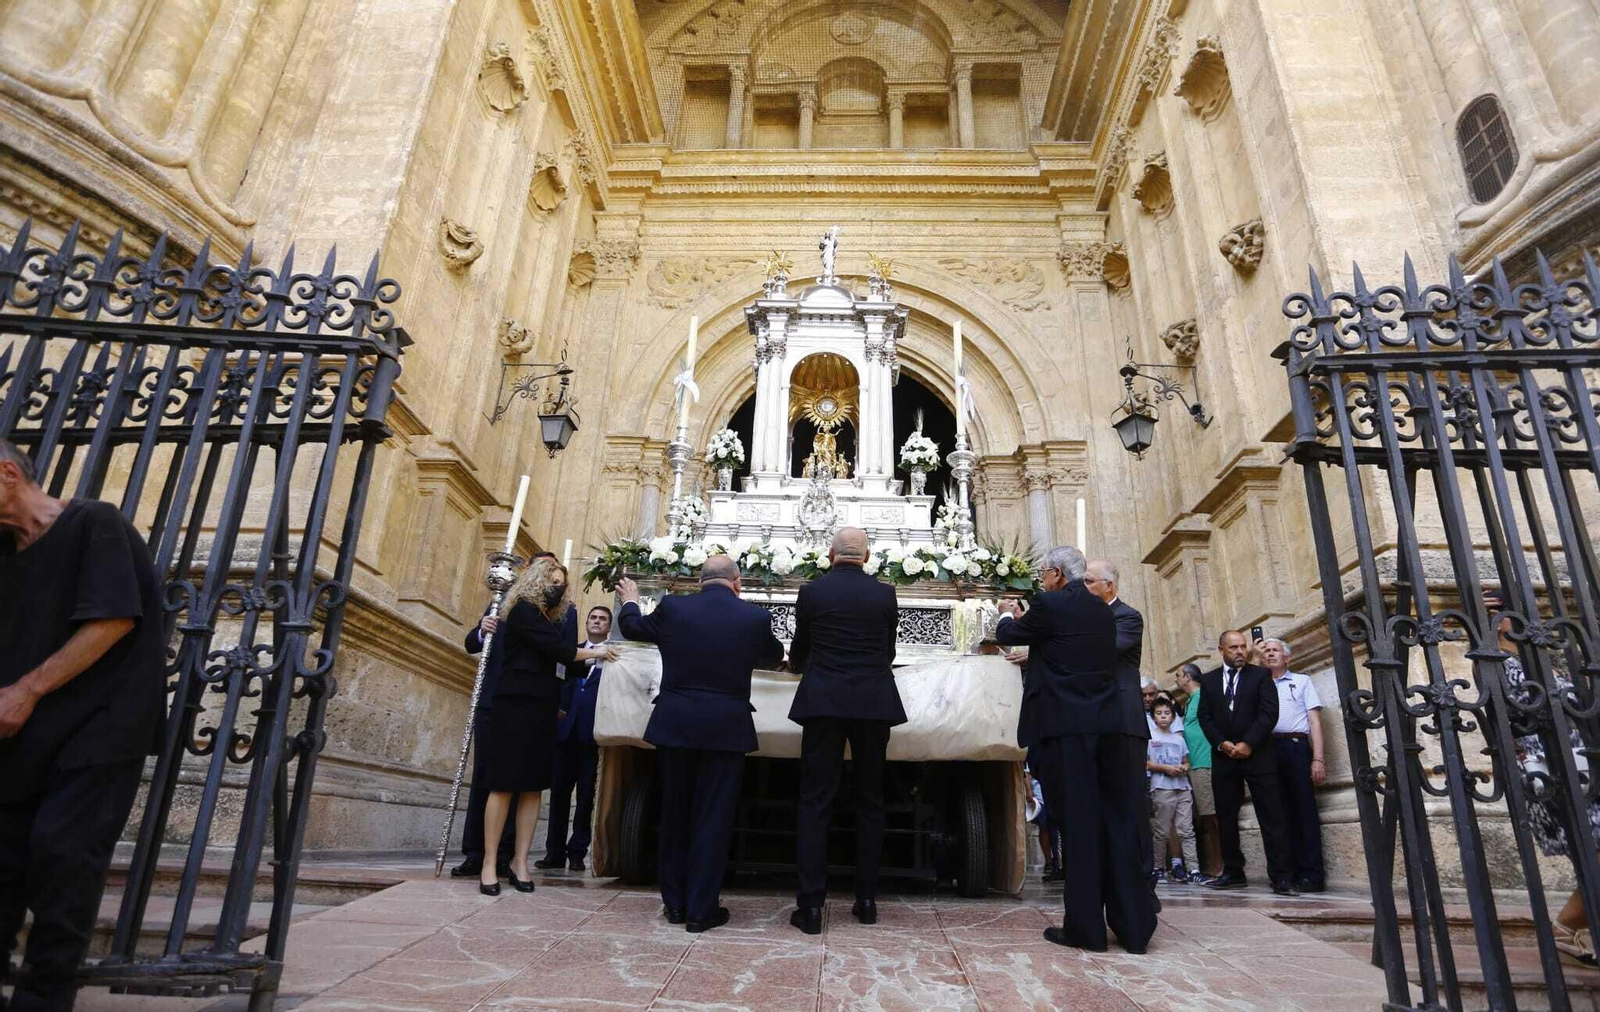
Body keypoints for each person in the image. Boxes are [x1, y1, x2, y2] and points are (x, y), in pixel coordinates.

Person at [0, 438, 165, 1011]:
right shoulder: (5, 552)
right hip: (23, 736)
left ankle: (44, 998)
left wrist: (26, 689)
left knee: (64, 855)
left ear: (7, 473)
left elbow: (114, 618)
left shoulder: (95, 522)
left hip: (100, 728)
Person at [997, 545, 1155, 954]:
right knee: (1116, 822)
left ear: (1053, 574)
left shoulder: (1050, 606)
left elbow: (1008, 635)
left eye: (1043, 574)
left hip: (1066, 729)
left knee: (1079, 828)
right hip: (1106, 726)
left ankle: (1085, 928)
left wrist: (1005, 613)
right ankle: (1134, 926)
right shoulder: (1104, 612)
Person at [617, 558, 784, 932]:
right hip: (726, 726)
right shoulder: (753, 618)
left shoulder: (675, 606)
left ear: (699, 579)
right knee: (713, 818)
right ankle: (701, 910)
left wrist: (630, 599)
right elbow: (773, 658)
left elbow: (631, 628)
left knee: (675, 812)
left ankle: (674, 904)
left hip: (676, 722)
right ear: (737, 582)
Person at [788, 527, 904, 935]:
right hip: (873, 702)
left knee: (815, 800)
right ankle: (867, 900)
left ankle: (811, 906)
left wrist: (803, 665)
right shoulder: (885, 593)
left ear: (830, 553)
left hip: (823, 701)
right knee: (871, 800)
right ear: (867, 556)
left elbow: (800, 648)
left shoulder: (812, 592)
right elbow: (889, 651)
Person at [477, 558, 615, 896]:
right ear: (537, 581)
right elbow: (559, 652)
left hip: (542, 707)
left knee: (534, 785)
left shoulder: (549, 620)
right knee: (503, 784)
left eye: (561, 583)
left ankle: (520, 861)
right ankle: (489, 862)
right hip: (514, 704)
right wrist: (602, 653)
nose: (558, 587)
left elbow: (562, 666)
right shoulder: (523, 611)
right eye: (552, 580)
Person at [1483, 590, 1600, 965]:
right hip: (1546, 770)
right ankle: (1568, 928)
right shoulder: (1495, 662)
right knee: (1592, 848)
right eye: (1512, 614)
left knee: (1592, 851)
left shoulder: (1542, 661)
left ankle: (1578, 929)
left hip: (1581, 763)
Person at [1084, 560, 1159, 907]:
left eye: (1088, 582)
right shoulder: (1092, 618)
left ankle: (1145, 881)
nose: (1082, 587)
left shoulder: (1128, 616)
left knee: (1131, 802)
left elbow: (1101, 651)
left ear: (1109, 586)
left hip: (1125, 722)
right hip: (1097, 721)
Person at [1197, 629, 1295, 894]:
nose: (1240, 652)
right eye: (1233, 648)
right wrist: (1222, 743)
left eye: (1242, 647)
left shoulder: (1260, 675)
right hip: (1224, 757)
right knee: (1226, 817)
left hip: (1258, 755)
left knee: (1272, 816)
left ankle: (1281, 876)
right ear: (1221, 650)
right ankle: (1233, 871)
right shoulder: (1208, 681)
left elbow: (1268, 712)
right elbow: (1204, 717)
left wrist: (1248, 743)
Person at [536, 604, 613, 872]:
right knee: (558, 794)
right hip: (565, 732)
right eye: (593, 617)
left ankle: (577, 852)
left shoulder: (613, 658)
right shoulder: (569, 651)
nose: (596, 621)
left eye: (602, 619)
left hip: (593, 735)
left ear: (608, 627)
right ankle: (553, 852)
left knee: (586, 798)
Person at [1260, 637, 1326, 892]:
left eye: (1275, 650)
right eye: (1265, 651)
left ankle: (1311, 874)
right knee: (1277, 814)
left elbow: (1315, 721)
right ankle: (1283, 874)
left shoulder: (1302, 681)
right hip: (1266, 750)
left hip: (1296, 748)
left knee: (1304, 811)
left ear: (1287, 657)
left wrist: (1318, 758)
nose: (1270, 654)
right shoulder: (1258, 685)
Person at [1147, 697, 1200, 883]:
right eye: (1159, 713)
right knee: (1162, 830)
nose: (1163, 717)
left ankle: (1193, 868)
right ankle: (1158, 866)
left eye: (1167, 713)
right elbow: (1145, 763)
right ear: (1153, 717)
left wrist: (1184, 768)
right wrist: (1166, 769)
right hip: (1161, 787)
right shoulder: (1150, 738)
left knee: (1186, 829)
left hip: (1182, 786)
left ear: (1173, 716)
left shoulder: (1179, 739)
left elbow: (1186, 761)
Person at [1176, 662, 1221, 877]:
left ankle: (1218, 864)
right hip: (1193, 764)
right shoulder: (1189, 701)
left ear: (1187, 677)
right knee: (1202, 816)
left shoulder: (1204, 695)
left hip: (1205, 762)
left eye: (1178, 675)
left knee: (1210, 815)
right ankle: (1211, 863)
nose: (1176, 679)